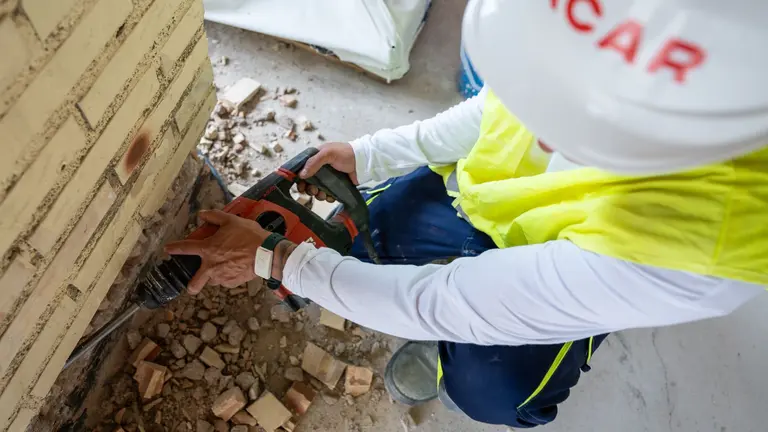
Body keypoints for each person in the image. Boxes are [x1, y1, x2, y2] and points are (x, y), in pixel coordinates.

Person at [165, 0, 768, 427]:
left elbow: (444, 303)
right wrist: (371, 154)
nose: (541, 135)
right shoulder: (575, 37)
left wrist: (275, 259)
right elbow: (494, 110)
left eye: (571, 131)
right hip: (490, 203)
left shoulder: (713, 249)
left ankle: (523, 353)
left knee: (492, 390)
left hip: (592, 266)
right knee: (368, 242)